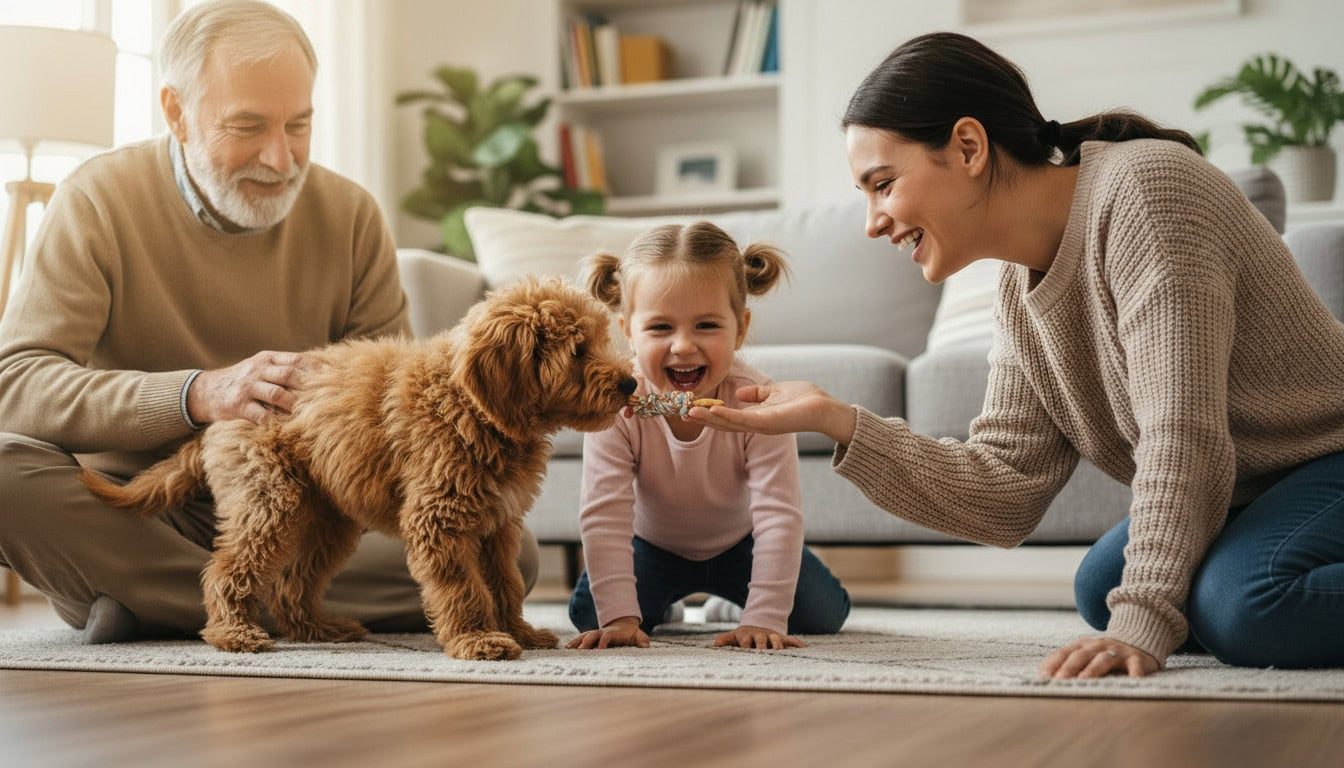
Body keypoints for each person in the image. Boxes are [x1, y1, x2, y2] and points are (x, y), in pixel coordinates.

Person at [688, 32, 1344, 677]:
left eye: (883, 184)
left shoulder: (1147, 192)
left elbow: (1184, 434)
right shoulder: (1017, 289)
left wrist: (1144, 619)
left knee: (1242, 604)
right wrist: (838, 420)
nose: (872, 221)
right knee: (1102, 587)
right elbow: (1005, 490)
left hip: (1326, 455)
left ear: (968, 147)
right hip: (1250, 487)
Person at [0, 0, 539, 644]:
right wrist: (197, 394)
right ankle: (226, 597)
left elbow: (401, 421)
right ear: (176, 112)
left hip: (312, 512)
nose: (281, 159)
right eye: (247, 125)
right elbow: (16, 385)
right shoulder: (96, 199)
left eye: (299, 125)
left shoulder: (351, 215)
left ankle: (150, 599)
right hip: (142, 508)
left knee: (502, 548)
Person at [566, 222, 851, 651]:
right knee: (591, 616)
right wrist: (621, 616)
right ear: (627, 331)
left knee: (824, 615)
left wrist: (763, 617)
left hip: (741, 545)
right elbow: (604, 513)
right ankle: (662, 606)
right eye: (660, 327)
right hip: (651, 548)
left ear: (740, 328)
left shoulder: (758, 399)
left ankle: (733, 603)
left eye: (706, 325)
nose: (683, 345)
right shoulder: (618, 404)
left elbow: (778, 513)